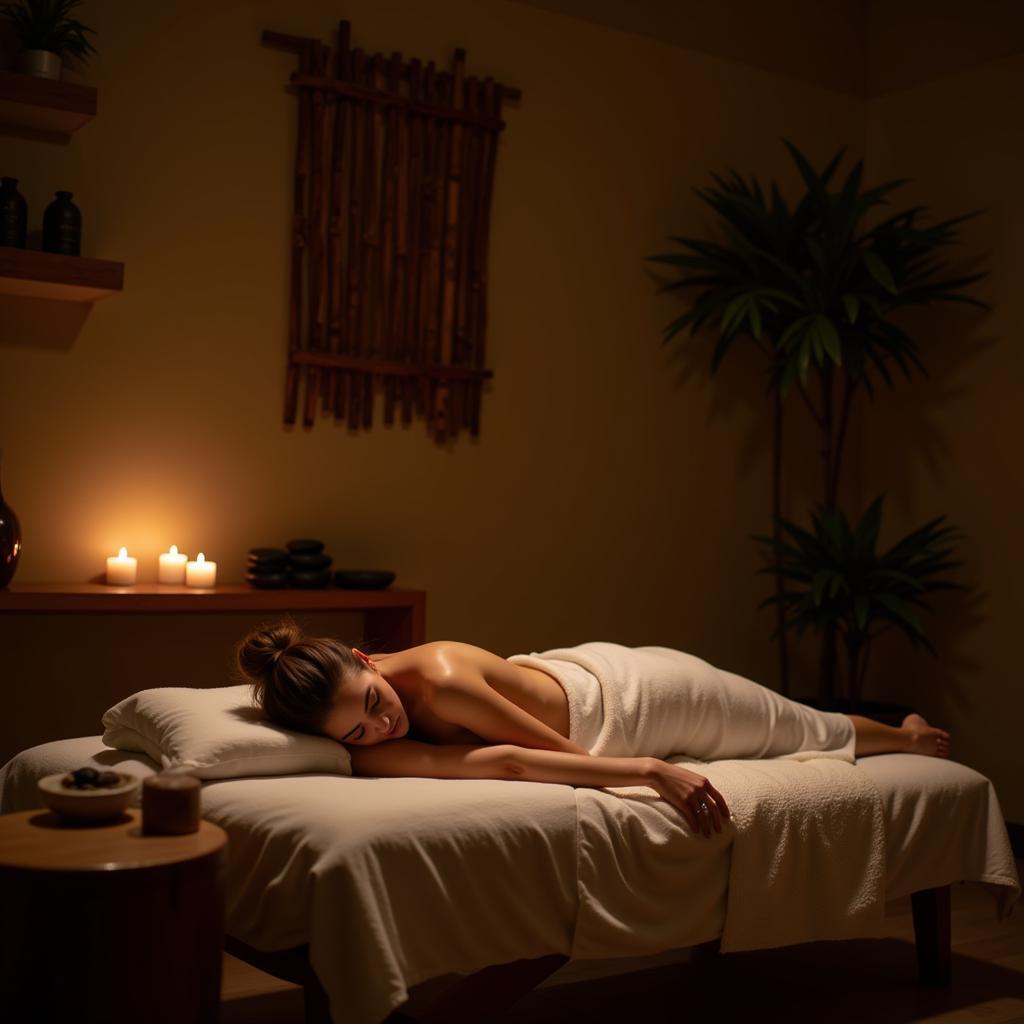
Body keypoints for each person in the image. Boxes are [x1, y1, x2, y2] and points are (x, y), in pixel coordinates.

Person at [236, 621, 951, 839]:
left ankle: (912, 738)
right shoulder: (364, 750)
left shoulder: (445, 677)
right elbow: (481, 767)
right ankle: (902, 732)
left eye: (373, 698)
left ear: (367, 659)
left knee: (797, 726)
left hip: (638, 697)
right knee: (792, 724)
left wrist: (648, 769)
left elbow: (543, 757)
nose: (382, 723)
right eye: (357, 732)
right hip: (585, 697)